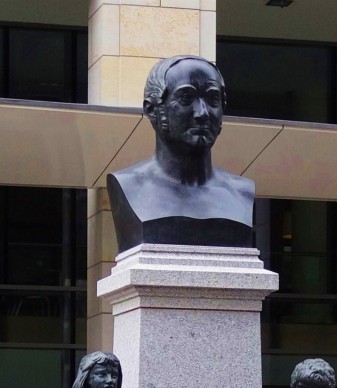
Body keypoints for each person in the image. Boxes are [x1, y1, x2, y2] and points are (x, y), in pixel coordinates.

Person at [106, 55, 255, 251]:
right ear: (152, 110)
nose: (203, 113)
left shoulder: (242, 193)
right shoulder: (128, 187)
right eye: (186, 98)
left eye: (212, 100)